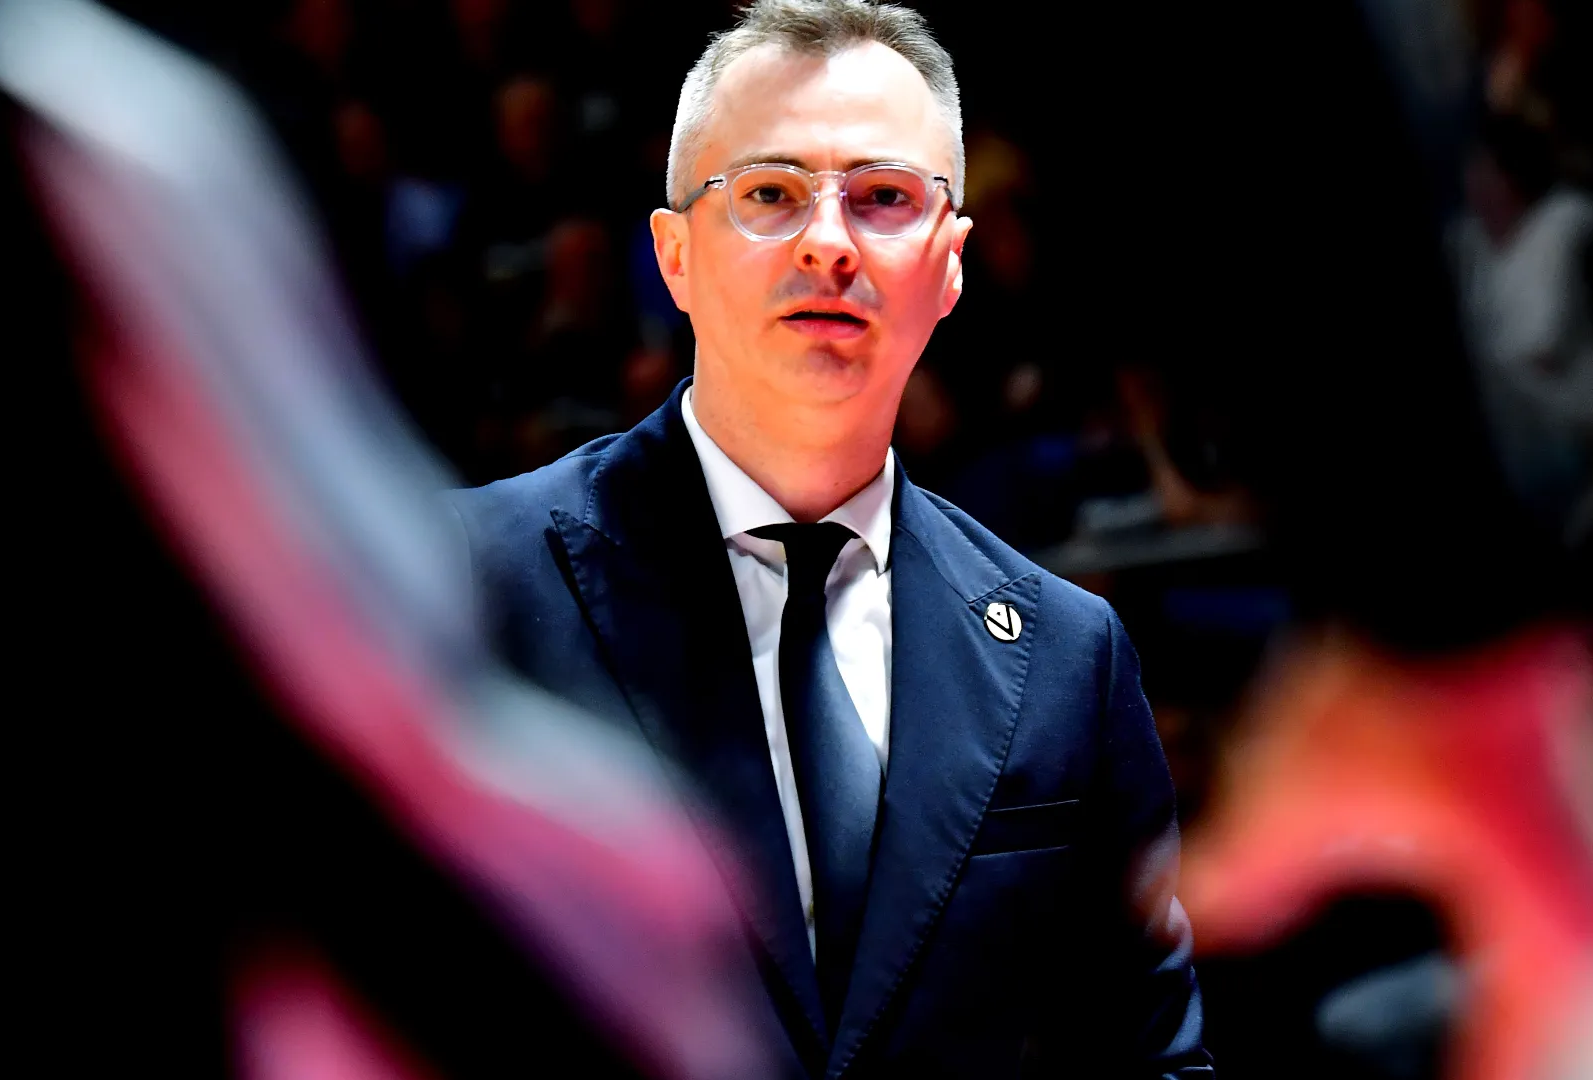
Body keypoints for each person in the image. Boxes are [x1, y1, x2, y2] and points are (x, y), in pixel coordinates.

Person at [447, 2, 1210, 1076]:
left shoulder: (1067, 657)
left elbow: (1148, 1060)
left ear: (949, 266)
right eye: (770, 193)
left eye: (884, 197)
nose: (829, 241)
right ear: (674, 255)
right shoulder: (464, 581)